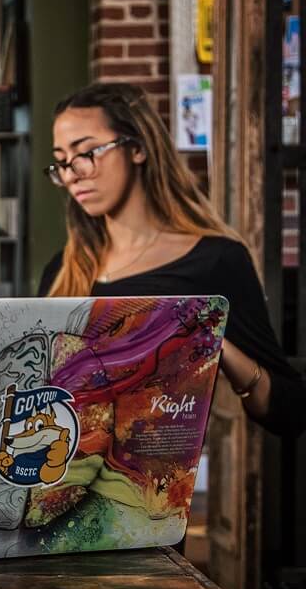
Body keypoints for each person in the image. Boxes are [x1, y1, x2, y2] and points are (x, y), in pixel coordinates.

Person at [38, 81, 305, 437]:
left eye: (86, 153)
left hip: (160, 483)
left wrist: (214, 343)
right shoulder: (62, 271)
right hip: (62, 477)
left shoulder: (215, 260)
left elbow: (290, 411)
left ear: (138, 148)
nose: (72, 174)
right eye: (62, 162)